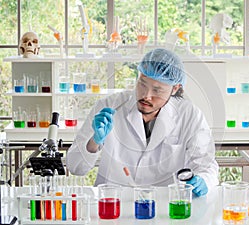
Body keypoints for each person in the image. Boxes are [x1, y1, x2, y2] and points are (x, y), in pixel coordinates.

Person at [66, 48, 219, 197]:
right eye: (142, 84)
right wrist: (94, 142)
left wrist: (204, 180)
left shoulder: (190, 115)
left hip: (164, 206)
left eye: (157, 90)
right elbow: (75, 167)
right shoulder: (109, 106)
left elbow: (206, 165)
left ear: (175, 89)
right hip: (112, 204)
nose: (146, 95)